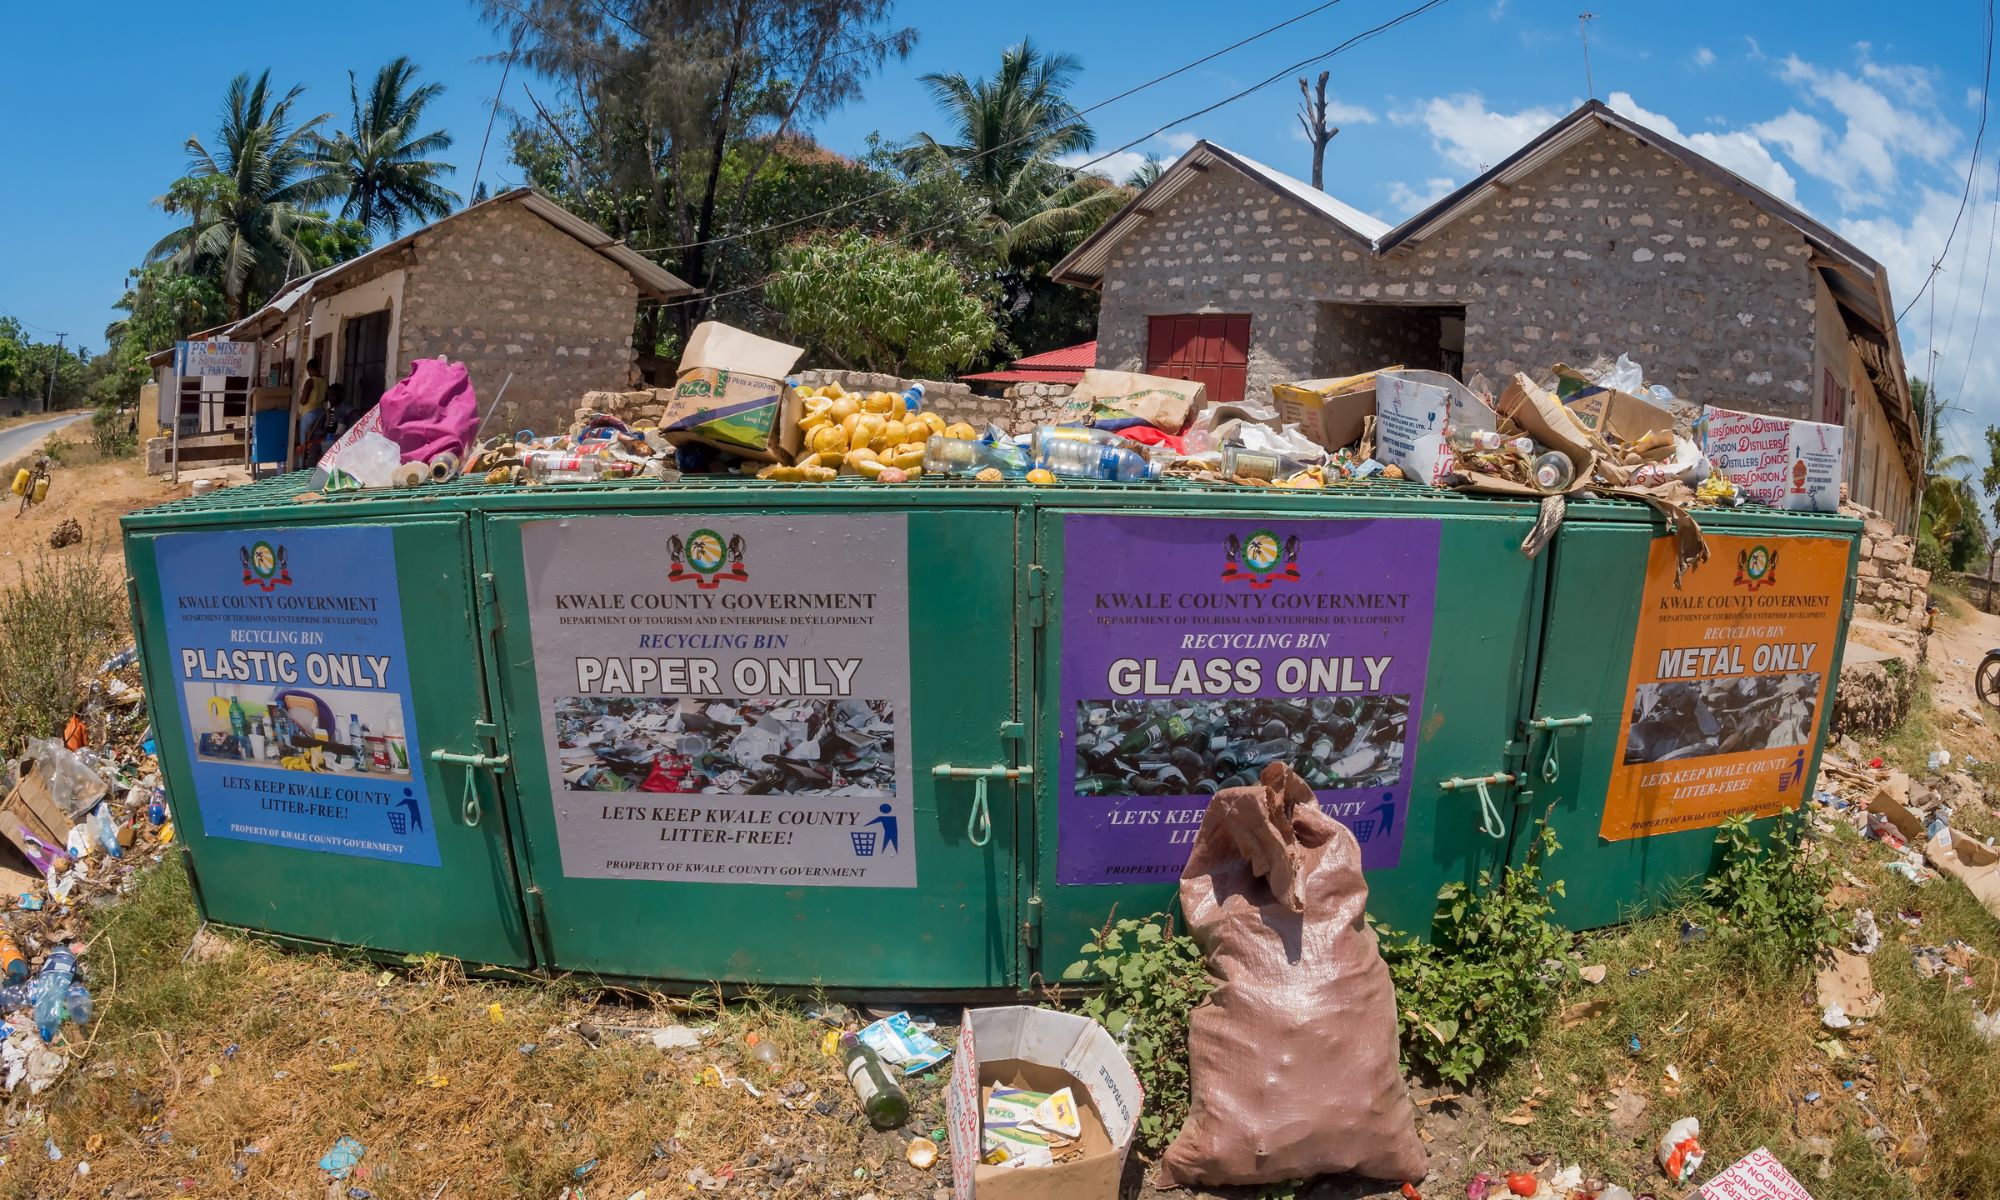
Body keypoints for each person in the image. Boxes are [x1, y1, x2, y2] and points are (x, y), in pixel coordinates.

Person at [295, 357, 329, 468]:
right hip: (321, 413)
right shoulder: (325, 381)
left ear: (309, 369)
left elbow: (303, 400)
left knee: (304, 442)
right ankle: (315, 466)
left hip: (308, 413)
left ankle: (301, 466)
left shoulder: (310, 382)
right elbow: (326, 398)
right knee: (316, 442)